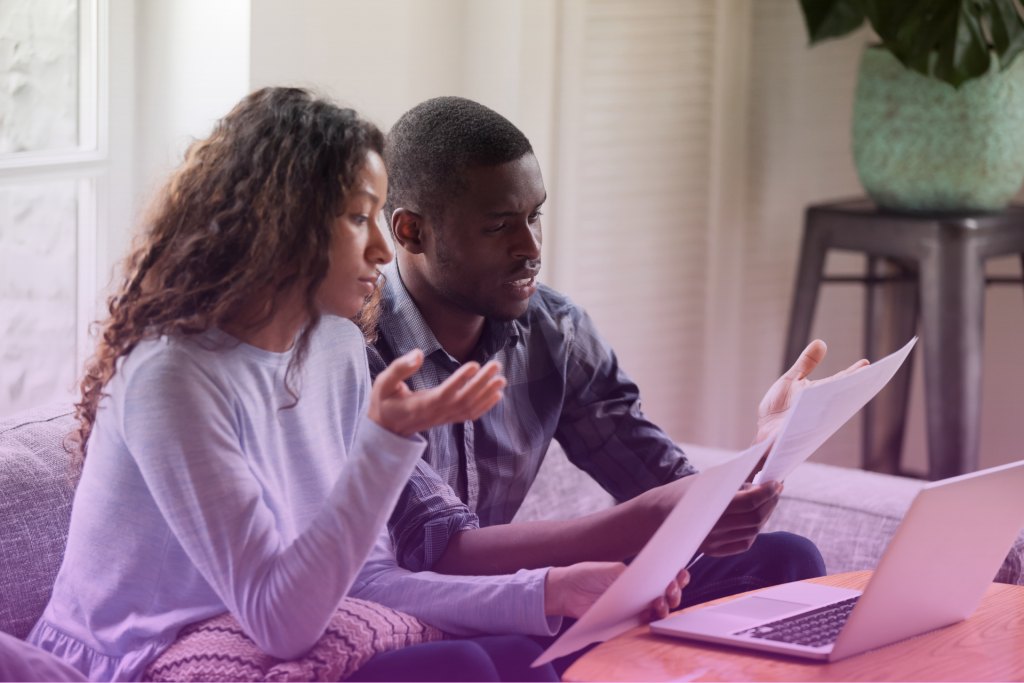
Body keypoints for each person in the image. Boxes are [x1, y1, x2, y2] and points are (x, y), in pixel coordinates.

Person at [26, 87, 618, 683]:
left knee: (524, 653)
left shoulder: (334, 347)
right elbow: (279, 622)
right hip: (137, 657)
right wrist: (384, 443)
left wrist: (547, 590)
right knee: (458, 666)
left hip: (259, 635)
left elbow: (367, 583)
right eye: (360, 218)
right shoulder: (172, 377)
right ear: (281, 223)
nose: (384, 249)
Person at [361, 96, 868, 672]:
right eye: (499, 225)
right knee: (497, 659)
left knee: (783, 561)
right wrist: (651, 520)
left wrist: (769, 446)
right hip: (420, 616)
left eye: (535, 216)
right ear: (410, 231)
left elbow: (664, 486)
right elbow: (439, 555)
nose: (530, 247)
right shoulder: (360, 352)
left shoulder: (555, 330)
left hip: (533, 597)